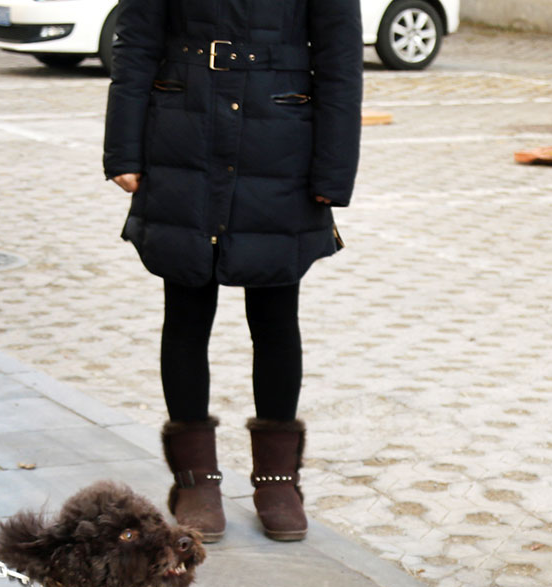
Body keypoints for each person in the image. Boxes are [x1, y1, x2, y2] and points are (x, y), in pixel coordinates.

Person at [104, 0, 362, 543]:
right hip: (182, 133)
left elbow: (340, 60)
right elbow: (137, 44)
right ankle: (195, 481)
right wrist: (123, 149)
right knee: (187, 309)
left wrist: (333, 170)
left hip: (282, 142)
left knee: (274, 315)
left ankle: (278, 480)